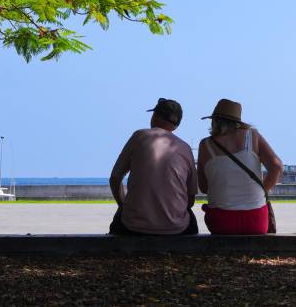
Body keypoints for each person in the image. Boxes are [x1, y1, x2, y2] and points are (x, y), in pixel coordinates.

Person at [108, 98, 199, 236]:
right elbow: (190, 198)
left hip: (133, 226)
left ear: (154, 116)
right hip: (176, 228)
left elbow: (115, 178)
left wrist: (123, 205)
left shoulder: (139, 136)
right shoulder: (185, 148)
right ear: (176, 125)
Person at [197, 98, 282, 235]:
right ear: (237, 122)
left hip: (221, 223)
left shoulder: (205, 145)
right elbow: (277, 166)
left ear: (214, 121)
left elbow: (204, 187)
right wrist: (262, 190)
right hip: (255, 221)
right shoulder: (253, 136)